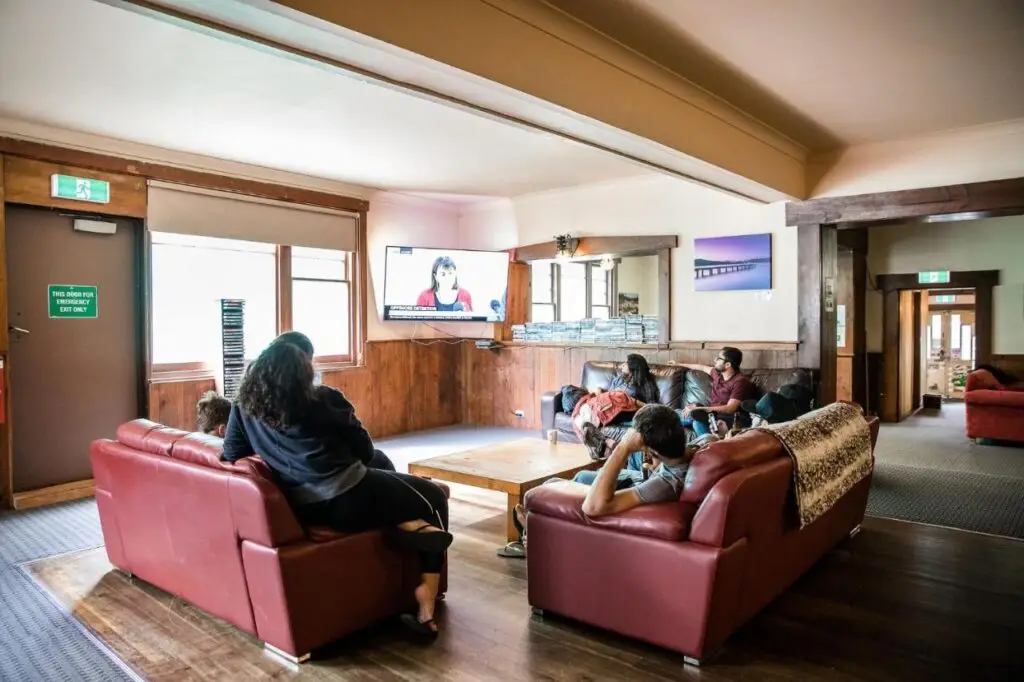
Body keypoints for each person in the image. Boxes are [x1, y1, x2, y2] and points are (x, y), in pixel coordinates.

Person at [222, 341, 447, 640]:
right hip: (350, 499)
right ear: (303, 374)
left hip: (303, 508)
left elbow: (233, 451)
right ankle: (427, 603)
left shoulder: (243, 406)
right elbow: (365, 452)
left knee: (390, 480)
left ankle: (404, 525)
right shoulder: (324, 399)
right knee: (433, 497)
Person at [271, 331, 396, 471]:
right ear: (305, 366)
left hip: (286, 479)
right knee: (385, 463)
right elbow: (366, 451)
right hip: (335, 483)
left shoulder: (248, 405)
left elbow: (241, 453)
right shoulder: (325, 398)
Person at [574, 354, 661, 459]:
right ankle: (605, 441)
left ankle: (601, 443)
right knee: (581, 415)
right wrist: (599, 393)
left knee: (586, 419)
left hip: (627, 411)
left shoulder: (645, 383)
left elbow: (651, 407)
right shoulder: (619, 379)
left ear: (633, 367)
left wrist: (634, 401)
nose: (623, 365)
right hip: (608, 409)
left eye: (626, 363)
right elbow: (609, 396)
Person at [671, 347, 756, 438]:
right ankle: (708, 442)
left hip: (725, 419)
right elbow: (702, 367)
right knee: (678, 414)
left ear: (727, 364)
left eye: (719, 358)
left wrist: (701, 409)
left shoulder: (740, 381)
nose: (715, 360)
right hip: (711, 416)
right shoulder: (718, 374)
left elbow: (730, 408)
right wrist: (678, 364)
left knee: (689, 415)